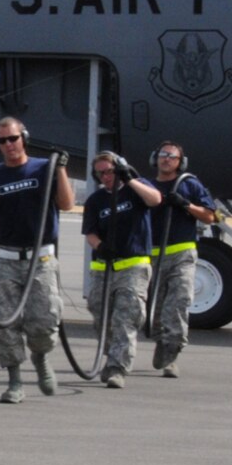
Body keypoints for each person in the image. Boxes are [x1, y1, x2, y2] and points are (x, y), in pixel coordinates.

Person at [0, 119, 76, 403]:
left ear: (24, 138)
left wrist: (60, 168)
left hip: (42, 259)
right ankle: (14, 380)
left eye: (13, 138)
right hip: (6, 260)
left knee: (45, 321)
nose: (8, 145)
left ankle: (40, 358)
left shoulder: (44, 169)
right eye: (2, 141)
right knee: (3, 322)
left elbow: (67, 205)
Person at [81, 150, 163, 388]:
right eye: (101, 173)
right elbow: (91, 233)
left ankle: (118, 367)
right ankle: (110, 353)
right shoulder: (95, 201)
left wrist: (130, 180)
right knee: (99, 313)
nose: (106, 177)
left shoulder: (136, 189)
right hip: (104, 268)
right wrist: (100, 246)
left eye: (110, 171)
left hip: (133, 267)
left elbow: (155, 199)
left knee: (126, 318)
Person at [148, 141, 218, 377]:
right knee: (154, 310)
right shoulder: (147, 187)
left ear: (181, 162)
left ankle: (172, 354)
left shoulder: (189, 185)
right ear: (155, 158)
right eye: (163, 155)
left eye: (172, 156)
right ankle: (161, 341)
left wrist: (186, 205)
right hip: (152, 257)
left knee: (178, 304)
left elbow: (210, 216)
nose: (166, 159)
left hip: (181, 255)